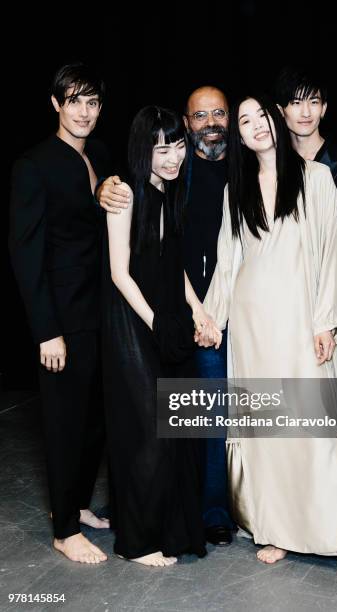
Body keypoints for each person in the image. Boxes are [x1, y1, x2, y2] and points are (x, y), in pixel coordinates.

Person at [200, 94, 337, 598]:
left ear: (276, 121)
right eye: (245, 120)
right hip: (255, 329)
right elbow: (227, 258)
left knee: (321, 437)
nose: (256, 125)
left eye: (261, 115)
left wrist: (329, 322)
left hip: (304, 326)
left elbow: (331, 256)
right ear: (238, 134)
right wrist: (213, 318)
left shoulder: (316, 178)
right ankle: (280, 529)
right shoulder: (235, 188)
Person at [97, 86, 235, 546]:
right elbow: (119, 273)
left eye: (177, 147)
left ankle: (167, 529)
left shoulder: (170, 195)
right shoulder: (127, 195)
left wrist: (199, 313)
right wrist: (155, 322)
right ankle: (136, 544)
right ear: (144, 150)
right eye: (162, 148)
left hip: (166, 321)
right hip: (133, 324)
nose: (174, 157)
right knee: (144, 434)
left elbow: (174, 267)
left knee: (174, 434)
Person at [9, 63, 110, 564]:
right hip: (62, 320)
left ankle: (77, 505)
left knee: (94, 420)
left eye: (92, 102)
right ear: (55, 104)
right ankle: (64, 529)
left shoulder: (98, 158)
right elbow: (26, 253)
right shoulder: (35, 164)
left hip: (99, 314)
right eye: (74, 101)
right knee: (65, 421)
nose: (84, 112)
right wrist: (46, 330)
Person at [274, 65, 337, 537]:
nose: (305, 111)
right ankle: (295, 514)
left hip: (336, 304)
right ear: (281, 110)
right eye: (296, 102)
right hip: (285, 305)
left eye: (313, 101)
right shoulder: (270, 167)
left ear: (325, 108)